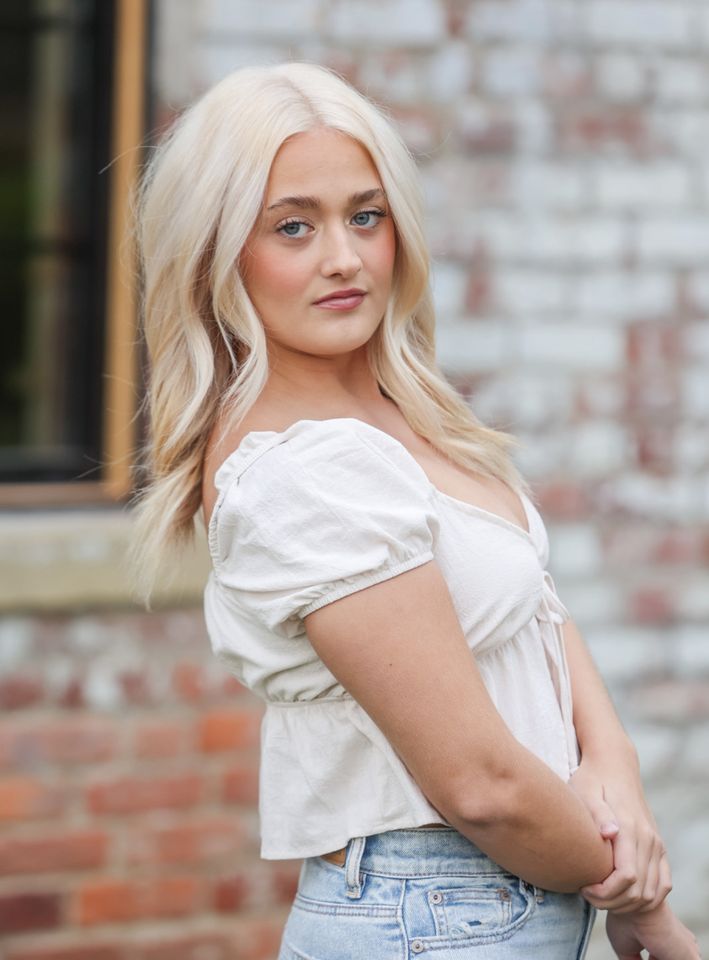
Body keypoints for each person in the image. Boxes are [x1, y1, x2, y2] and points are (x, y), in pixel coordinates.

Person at [129, 62, 700, 959]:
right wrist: (632, 895)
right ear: (214, 251)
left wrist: (614, 769)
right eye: (292, 227)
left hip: (491, 900)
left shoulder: (401, 411)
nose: (344, 258)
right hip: (432, 913)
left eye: (366, 214)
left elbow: (533, 606)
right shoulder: (302, 472)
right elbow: (479, 785)